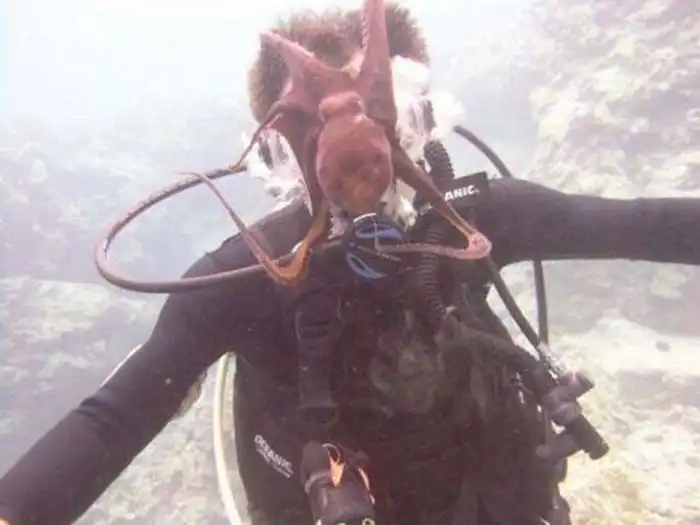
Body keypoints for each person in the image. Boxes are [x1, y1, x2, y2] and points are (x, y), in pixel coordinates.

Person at [1, 3, 699, 525]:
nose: (361, 171)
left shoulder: (475, 220)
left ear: (419, 120)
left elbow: (646, 224)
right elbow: (113, 419)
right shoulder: (242, 279)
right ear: (280, 157)